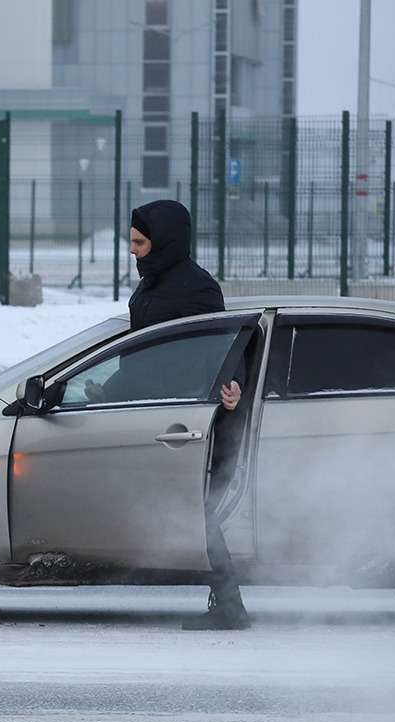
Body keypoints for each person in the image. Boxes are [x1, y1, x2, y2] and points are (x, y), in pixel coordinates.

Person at [126, 199, 250, 631]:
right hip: (152, 411)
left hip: (191, 419)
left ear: (164, 242)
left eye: (139, 242)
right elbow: (143, 350)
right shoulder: (151, 283)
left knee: (200, 509)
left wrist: (233, 387)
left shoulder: (197, 288)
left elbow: (220, 345)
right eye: (132, 241)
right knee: (185, 507)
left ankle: (230, 604)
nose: (133, 250)